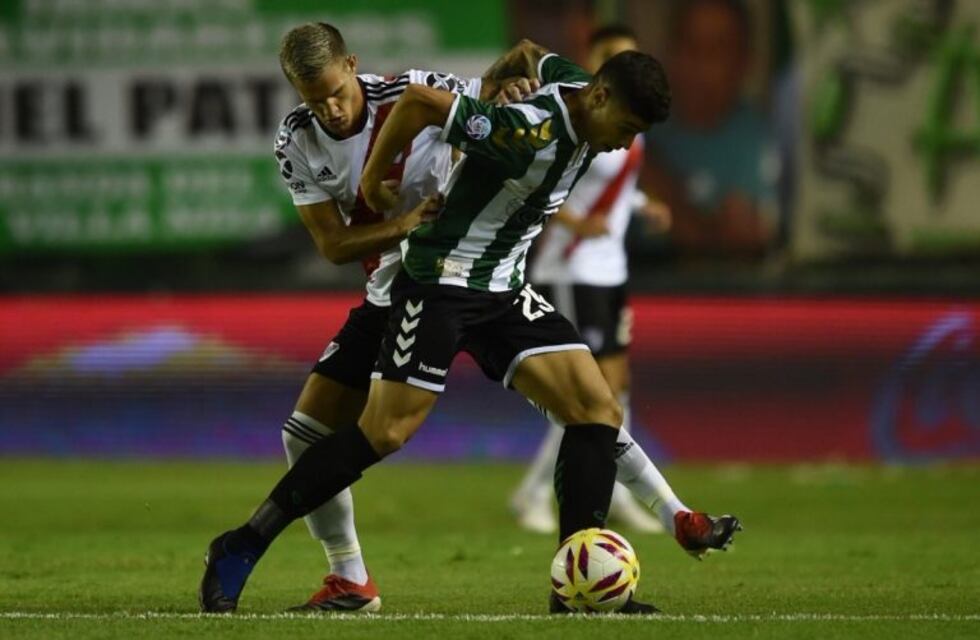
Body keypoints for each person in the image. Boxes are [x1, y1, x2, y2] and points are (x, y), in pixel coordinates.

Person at [200, 38, 740, 615]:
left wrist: (501, 74)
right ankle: (245, 541)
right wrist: (374, 181)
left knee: (596, 411)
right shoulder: (524, 135)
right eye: (627, 127)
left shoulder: (577, 87)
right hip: (441, 281)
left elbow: (533, 54)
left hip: (501, 289)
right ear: (601, 97)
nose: (625, 143)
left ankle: (575, 587)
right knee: (383, 433)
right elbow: (417, 106)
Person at [226, 22, 538, 614]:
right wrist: (402, 223)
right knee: (303, 434)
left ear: (352, 64)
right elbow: (334, 246)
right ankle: (349, 581)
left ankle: (668, 513)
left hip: (456, 279)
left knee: (576, 397)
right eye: (312, 98)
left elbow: (493, 88)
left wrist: (518, 84)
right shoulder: (296, 138)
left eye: (336, 92)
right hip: (385, 289)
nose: (331, 109)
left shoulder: (412, 93)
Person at [512, 24, 671, 536]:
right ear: (597, 64)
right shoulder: (579, 113)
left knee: (616, 391)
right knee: (588, 393)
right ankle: (534, 493)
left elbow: (615, 185)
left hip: (611, 266)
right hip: (572, 265)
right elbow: (539, 179)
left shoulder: (628, 118)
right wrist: (579, 224)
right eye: (612, 55)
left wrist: (645, 205)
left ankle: (615, 491)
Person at [642, 0, 780, 260]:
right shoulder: (642, 122)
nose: (699, 65)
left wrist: (648, 170)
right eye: (689, 46)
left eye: (716, 50)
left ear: (744, 63)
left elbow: (736, 248)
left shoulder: (753, 140)